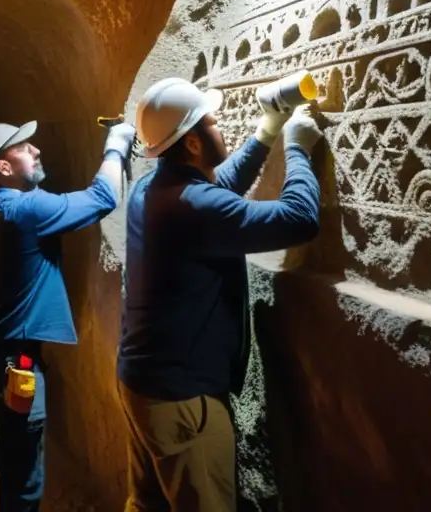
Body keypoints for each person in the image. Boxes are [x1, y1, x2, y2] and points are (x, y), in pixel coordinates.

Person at [117, 77, 323, 511]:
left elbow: (218, 189)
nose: (221, 126)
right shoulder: (192, 205)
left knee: (148, 502)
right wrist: (297, 149)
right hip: (181, 402)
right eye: (212, 122)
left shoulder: (152, 191)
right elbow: (298, 218)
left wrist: (265, 132)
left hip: (143, 386)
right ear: (192, 144)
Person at [0, 118, 136, 512]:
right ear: (4, 168)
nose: (36, 150)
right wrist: (116, 144)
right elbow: (101, 198)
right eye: (23, 148)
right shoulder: (23, 211)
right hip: (11, 363)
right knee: (22, 472)